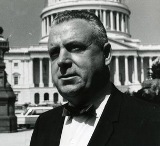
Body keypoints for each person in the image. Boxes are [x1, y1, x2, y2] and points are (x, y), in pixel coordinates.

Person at [30, 10, 160, 146]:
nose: (61, 61)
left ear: (106, 54)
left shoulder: (151, 122)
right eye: (54, 53)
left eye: (75, 47)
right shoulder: (44, 124)